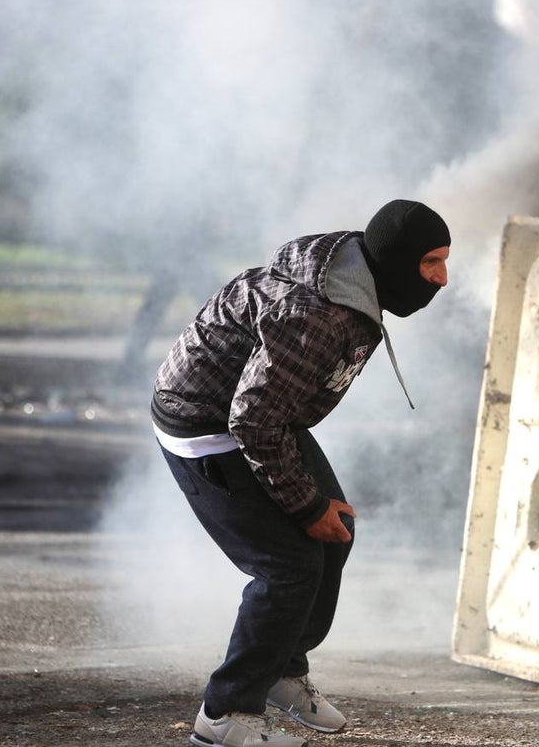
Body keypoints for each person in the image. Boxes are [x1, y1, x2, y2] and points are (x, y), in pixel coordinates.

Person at [151, 199, 451, 747]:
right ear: (396, 260)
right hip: (208, 425)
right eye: (431, 262)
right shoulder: (319, 314)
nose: (441, 279)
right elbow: (253, 421)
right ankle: (225, 715)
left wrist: (315, 510)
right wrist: (306, 506)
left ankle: (281, 670)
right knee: (288, 567)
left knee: (336, 533)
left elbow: (268, 410)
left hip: (264, 417)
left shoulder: (355, 281)